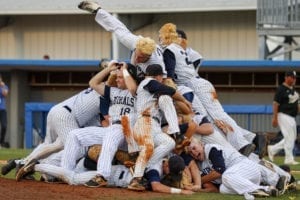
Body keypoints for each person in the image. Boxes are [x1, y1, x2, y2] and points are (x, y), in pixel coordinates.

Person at [128, 64, 192, 191]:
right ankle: (136, 179)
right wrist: (185, 100)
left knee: (169, 143)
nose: (162, 79)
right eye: (161, 77)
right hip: (144, 120)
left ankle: (140, 168)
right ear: (158, 76)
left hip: (155, 125)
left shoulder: (154, 90)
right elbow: (170, 90)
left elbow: (181, 109)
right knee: (148, 147)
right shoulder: (148, 81)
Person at [187, 138, 280, 199]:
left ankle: (265, 188)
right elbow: (214, 190)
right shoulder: (201, 165)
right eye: (191, 153)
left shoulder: (211, 149)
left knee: (225, 175)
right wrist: (196, 189)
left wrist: (198, 182)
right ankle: (260, 190)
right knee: (223, 189)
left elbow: (219, 171)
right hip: (242, 179)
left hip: (247, 167)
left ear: (201, 144)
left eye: (194, 148)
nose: (194, 153)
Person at [268, 70, 300, 165]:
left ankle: (272, 149)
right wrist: (275, 117)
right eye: (292, 77)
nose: (294, 79)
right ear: (286, 77)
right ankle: (288, 158)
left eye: (295, 78)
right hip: (283, 115)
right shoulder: (281, 89)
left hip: (292, 116)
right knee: (289, 137)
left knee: (292, 137)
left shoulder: (293, 90)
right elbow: (275, 104)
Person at [0, 73, 9, 148]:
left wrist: (2, 86)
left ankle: (1, 142)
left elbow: (5, 94)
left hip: (2, 109)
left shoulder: (4, 86)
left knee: (4, 126)